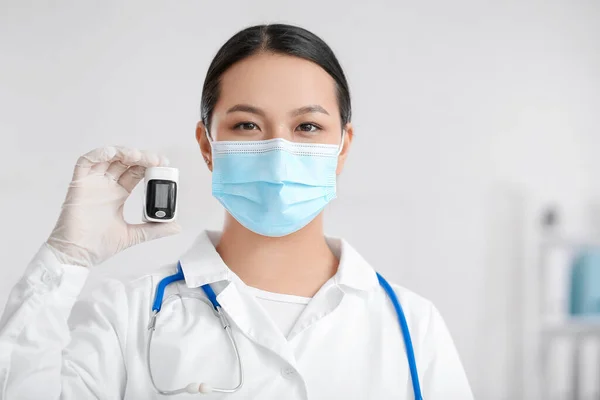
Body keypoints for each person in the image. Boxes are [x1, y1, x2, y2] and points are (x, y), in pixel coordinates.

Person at [0, 24, 474, 399]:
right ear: (208, 145)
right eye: (247, 124)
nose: (278, 150)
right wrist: (66, 259)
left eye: (308, 126)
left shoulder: (412, 326)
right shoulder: (126, 315)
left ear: (342, 147)